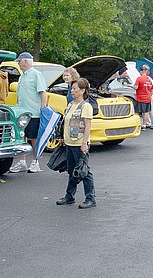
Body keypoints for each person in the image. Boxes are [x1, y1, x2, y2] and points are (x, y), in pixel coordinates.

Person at [56, 78, 96, 209]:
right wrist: (62, 137)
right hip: (69, 142)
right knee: (72, 171)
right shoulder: (71, 104)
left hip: (80, 143)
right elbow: (65, 122)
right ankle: (69, 196)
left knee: (84, 171)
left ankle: (90, 198)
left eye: (74, 88)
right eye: (72, 88)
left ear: (83, 90)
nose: (72, 91)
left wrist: (84, 143)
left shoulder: (86, 106)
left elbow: (87, 126)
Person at [9, 52, 47, 173]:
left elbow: (42, 92)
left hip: (33, 112)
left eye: (19, 62)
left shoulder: (36, 75)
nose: (19, 64)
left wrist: (43, 108)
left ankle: (35, 161)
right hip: (22, 113)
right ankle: (22, 162)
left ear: (25, 61)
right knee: (22, 137)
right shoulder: (22, 76)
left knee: (33, 137)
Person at [133, 65, 153, 129]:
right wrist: (149, 94)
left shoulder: (139, 78)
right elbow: (152, 89)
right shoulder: (149, 79)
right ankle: (144, 125)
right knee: (145, 112)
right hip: (148, 98)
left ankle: (137, 125)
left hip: (140, 98)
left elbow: (136, 87)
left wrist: (133, 86)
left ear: (142, 71)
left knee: (137, 112)